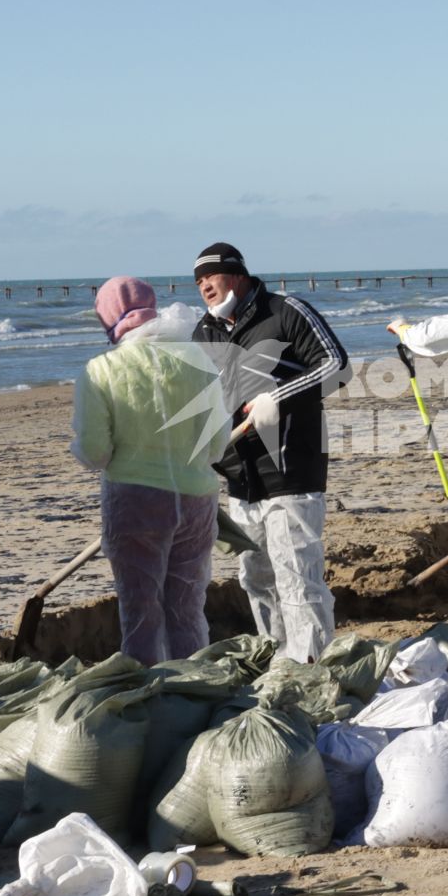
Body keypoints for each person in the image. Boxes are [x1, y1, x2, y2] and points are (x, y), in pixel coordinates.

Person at [191, 242, 350, 662]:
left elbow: (336, 366)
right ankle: (279, 662)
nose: (204, 285)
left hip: (291, 470)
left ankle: (313, 668)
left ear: (238, 276)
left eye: (212, 275)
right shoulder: (202, 333)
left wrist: (278, 398)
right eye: (198, 280)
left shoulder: (285, 311)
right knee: (257, 578)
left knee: (297, 576)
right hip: (241, 480)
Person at [72, 277, 232, 665]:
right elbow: (216, 444)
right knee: (188, 608)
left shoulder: (101, 369)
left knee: (140, 611)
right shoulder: (197, 363)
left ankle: (147, 696)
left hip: (136, 499)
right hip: (197, 499)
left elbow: (94, 452)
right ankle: (191, 691)